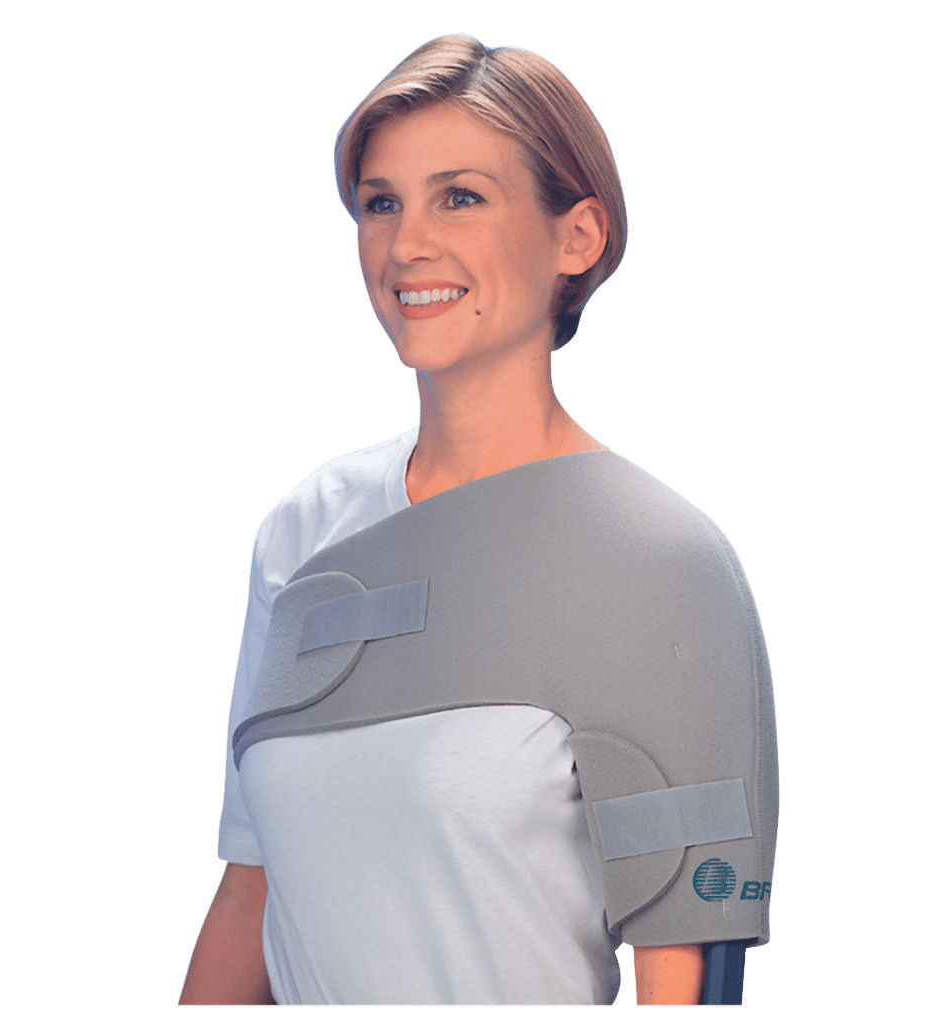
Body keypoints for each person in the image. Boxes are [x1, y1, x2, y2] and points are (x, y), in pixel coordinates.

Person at [179, 32, 775, 1007]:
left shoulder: (658, 561)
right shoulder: (305, 532)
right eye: (381, 203)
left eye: (459, 196)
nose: (407, 244)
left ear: (577, 237)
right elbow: (253, 895)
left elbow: (687, 947)